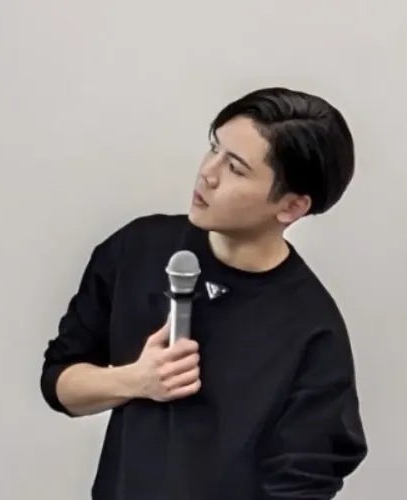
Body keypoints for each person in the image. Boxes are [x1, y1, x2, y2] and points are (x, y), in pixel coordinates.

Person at [40, 87, 368, 500]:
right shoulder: (137, 248)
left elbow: (303, 483)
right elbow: (59, 384)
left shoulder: (312, 330)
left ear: (290, 207)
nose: (207, 174)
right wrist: (136, 380)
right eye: (214, 148)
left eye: (235, 168)